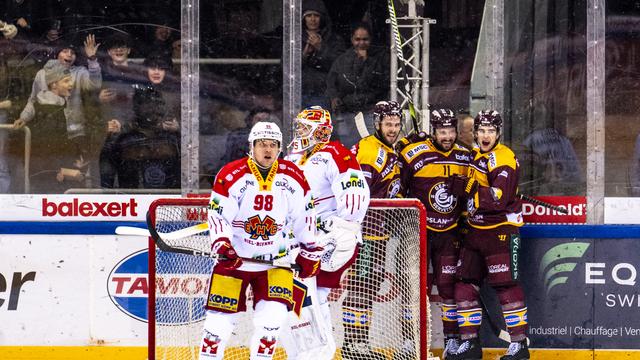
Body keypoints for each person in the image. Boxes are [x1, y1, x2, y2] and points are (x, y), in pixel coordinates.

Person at [199, 121, 321, 360]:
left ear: (280, 148)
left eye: (273, 145)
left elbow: (305, 216)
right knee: (217, 329)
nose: (268, 150)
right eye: (262, 144)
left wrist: (310, 248)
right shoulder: (231, 174)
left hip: (278, 263)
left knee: (271, 327)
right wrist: (222, 244)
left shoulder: (293, 176)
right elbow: (218, 215)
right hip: (235, 262)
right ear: (251, 146)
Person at [285, 106, 370, 359]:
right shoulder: (292, 159)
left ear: (318, 130)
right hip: (298, 242)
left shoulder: (335, 153)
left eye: (303, 127)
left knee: (307, 298)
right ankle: (315, 352)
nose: (298, 131)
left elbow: (355, 193)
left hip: (327, 239)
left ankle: (316, 353)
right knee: (299, 301)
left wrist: (345, 228)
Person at [447, 110, 528, 360]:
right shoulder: (476, 156)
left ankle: (519, 345)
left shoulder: (503, 158)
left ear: (498, 133)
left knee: (505, 286)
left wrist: (471, 189)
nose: (485, 135)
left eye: (490, 131)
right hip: (475, 231)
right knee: (463, 285)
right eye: (481, 131)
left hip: (499, 232)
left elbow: (497, 198)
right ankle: (470, 344)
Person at [397, 108, 470, 359]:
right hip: (418, 233)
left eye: (451, 131)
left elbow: (471, 196)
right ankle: (409, 340)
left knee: (448, 288)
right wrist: (401, 146)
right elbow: (399, 190)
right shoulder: (414, 154)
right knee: (413, 289)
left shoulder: (465, 157)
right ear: (434, 132)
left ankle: (451, 339)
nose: (447, 136)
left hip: (449, 235)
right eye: (442, 131)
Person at [347, 100, 402, 359]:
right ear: (377, 124)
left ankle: (358, 343)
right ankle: (353, 345)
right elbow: (360, 196)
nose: (393, 129)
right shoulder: (370, 151)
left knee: (369, 284)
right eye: (388, 124)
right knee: (362, 285)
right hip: (364, 233)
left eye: (396, 124)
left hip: (376, 232)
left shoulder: (385, 148)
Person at [14, 34, 101, 191]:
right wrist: (24, 117)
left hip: (75, 133)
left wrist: (92, 59)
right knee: (52, 176)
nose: (69, 55)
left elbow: (95, 84)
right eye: (65, 51)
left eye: (72, 52)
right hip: (51, 134)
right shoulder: (43, 74)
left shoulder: (79, 72)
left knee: (76, 178)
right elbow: (33, 99)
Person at [16, 62, 88, 192]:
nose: (71, 84)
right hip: (50, 176)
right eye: (66, 81)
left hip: (54, 173)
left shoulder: (57, 107)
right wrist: (63, 170)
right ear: (54, 84)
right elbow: (44, 150)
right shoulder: (49, 111)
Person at [99, 85, 180, 189]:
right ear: (137, 107)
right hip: (132, 200)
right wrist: (106, 196)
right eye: (146, 104)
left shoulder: (171, 136)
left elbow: (188, 166)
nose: (152, 109)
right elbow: (106, 171)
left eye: (156, 104)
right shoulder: (123, 137)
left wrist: (179, 131)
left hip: (168, 199)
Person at [326, 23, 389, 148]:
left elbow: (377, 84)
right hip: (346, 112)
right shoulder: (342, 59)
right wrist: (334, 98)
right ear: (351, 40)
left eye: (365, 39)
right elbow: (331, 82)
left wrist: (365, 62)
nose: (361, 43)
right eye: (357, 39)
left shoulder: (379, 59)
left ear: (370, 40)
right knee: (347, 148)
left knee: (372, 146)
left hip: (370, 110)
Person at [301, 0, 346, 109]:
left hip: (323, 95)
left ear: (322, 18)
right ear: (303, 19)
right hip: (298, 93)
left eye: (316, 15)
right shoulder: (294, 39)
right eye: (308, 16)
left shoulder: (334, 39)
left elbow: (341, 66)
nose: (312, 19)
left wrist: (321, 48)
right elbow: (286, 67)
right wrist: (305, 53)